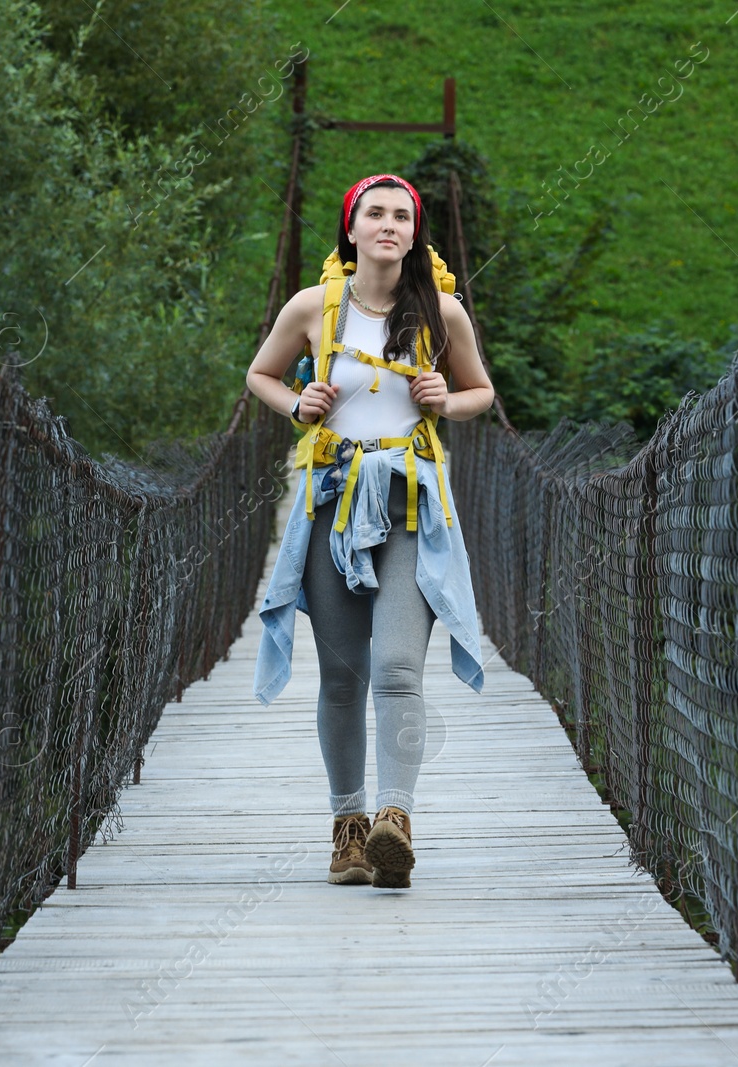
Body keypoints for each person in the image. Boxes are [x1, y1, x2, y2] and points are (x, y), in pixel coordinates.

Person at [245, 174, 495, 888]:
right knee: (342, 675)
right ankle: (348, 828)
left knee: (395, 667)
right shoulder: (312, 308)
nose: (388, 224)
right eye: (374, 214)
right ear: (350, 230)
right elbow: (260, 375)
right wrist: (299, 403)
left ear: (415, 233)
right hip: (332, 503)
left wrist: (448, 398)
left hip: (410, 505)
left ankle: (395, 819)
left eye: (401, 215)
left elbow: (481, 392)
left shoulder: (442, 313)